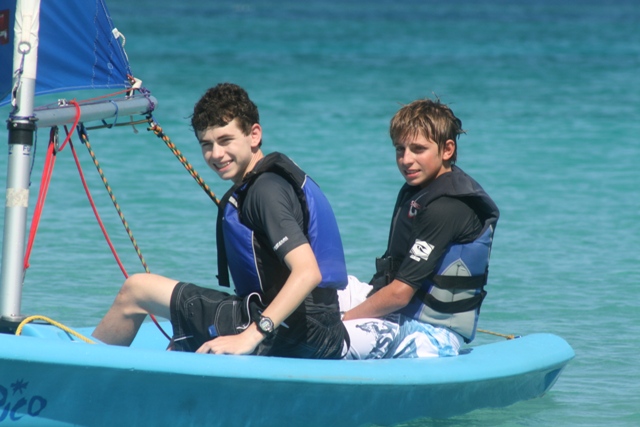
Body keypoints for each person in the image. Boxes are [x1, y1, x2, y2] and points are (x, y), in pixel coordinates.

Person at [92, 83, 349, 359]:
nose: (215, 154)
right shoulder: (269, 181)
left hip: (294, 334)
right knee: (185, 334)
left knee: (137, 291)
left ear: (254, 135)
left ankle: (84, 368)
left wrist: (251, 336)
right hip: (320, 333)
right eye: (206, 144)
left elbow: (308, 272)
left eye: (225, 140)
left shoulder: (265, 192)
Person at [340, 97, 500, 359]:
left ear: (447, 150)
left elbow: (400, 295)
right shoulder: (419, 191)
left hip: (432, 334)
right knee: (320, 286)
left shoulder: (447, 207)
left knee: (329, 336)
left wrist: (344, 319)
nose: (406, 159)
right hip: (398, 314)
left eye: (418, 149)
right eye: (400, 149)